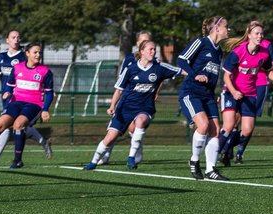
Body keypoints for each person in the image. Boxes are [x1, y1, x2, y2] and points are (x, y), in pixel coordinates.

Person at [83, 40, 183, 170]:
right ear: (142, 51)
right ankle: (93, 162)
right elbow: (119, 89)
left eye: (154, 49)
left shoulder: (160, 67)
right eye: (150, 49)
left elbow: (181, 71)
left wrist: (197, 74)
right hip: (125, 108)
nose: (153, 52)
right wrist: (112, 106)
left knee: (141, 120)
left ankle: (131, 157)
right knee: (109, 139)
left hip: (145, 108)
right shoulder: (131, 69)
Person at [0, 42, 53, 170]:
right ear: (27, 53)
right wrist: (7, 91)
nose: (38, 54)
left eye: (39, 52)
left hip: (34, 105)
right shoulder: (17, 68)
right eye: (35, 52)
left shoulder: (45, 71)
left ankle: (17, 161)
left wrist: (45, 109)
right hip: (16, 102)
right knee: (0, 124)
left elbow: (49, 93)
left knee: (18, 125)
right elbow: (10, 85)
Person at [218, 21, 273, 168]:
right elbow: (226, 76)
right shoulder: (238, 52)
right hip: (231, 92)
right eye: (257, 33)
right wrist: (233, 92)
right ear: (250, 35)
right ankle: (214, 151)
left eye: (261, 34)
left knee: (247, 130)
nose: (260, 36)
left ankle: (225, 149)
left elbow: (267, 70)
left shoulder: (264, 53)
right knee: (229, 125)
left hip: (250, 94)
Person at [177, 15, 231, 181]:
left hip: (207, 95)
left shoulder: (218, 51)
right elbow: (181, 60)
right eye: (226, 26)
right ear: (216, 28)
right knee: (203, 125)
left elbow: (212, 74)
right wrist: (195, 75)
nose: (228, 29)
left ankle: (210, 170)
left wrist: (213, 93)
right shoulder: (200, 42)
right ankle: (194, 160)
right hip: (191, 92)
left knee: (215, 131)